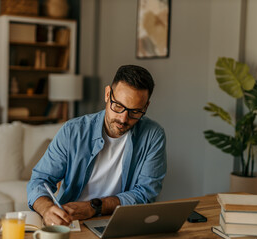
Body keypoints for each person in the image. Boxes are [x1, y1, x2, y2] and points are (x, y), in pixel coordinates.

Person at [27, 65, 167, 226]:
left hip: (121, 221)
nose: (123, 119)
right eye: (118, 106)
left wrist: (94, 207)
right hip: (72, 222)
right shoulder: (73, 131)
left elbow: (146, 193)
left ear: (146, 107)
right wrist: (46, 209)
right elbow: (40, 180)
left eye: (135, 112)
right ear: (108, 94)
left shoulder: (153, 136)